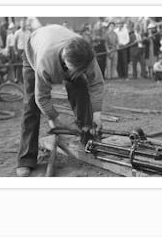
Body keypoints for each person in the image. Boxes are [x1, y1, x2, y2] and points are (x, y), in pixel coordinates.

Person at [16, 18, 105, 177]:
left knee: (81, 90)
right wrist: (55, 120)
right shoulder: (45, 61)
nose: (74, 75)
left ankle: (88, 140)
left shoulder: (85, 54)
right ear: (66, 62)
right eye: (74, 71)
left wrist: (97, 114)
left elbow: (97, 84)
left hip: (63, 47)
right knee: (31, 105)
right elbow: (41, 98)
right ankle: (26, 159)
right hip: (34, 51)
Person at [14, 19, 30, 83]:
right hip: (19, 50)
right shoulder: (17, 32)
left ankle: (25, 79)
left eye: (24, 24)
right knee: (19, 65)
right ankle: (18, 79)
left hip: (26, 50)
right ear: (20, 24)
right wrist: (15, 50)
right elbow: (15, 42)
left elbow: (30, 42)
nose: (23, 25)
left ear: (26, 24)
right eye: (22, 24)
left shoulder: (28, 32)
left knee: (26, 65)